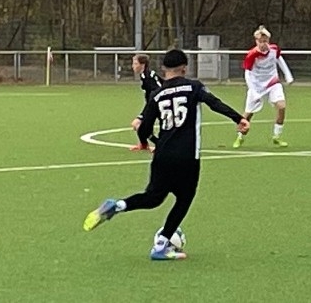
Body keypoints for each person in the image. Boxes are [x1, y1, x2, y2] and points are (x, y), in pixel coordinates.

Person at [82, 48, 250, 261]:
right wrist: (239, 119)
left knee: (153, 197)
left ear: (163, 68)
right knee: (185, 198)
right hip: (187, 156)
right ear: (184, 68)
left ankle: (118, 205)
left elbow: (144, 127)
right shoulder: (194, 87)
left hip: (162, 155)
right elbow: (214, 103)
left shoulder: (157, 94)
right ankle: (161, 244)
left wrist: (146, 143)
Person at [232, 26, 293, 148]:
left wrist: (288, 75)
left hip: (272, 83)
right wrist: (253, 90)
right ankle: (240, 137)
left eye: (265, 41)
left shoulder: (274, 50)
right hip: (256, 86)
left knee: (281, 106)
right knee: (248, 114)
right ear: (256, 41)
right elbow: (248, 74)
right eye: (260, 41)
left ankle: (277, 136)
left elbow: (280, 60)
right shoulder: (252, 55)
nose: (263, 44)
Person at [129, 53, 161, 152]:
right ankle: (144, 145)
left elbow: (156, 92)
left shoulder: (148, 77)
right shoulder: (146, 75)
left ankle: (160, 145)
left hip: (157, 105)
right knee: (144, 127)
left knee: (139, 125)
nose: (133, 66)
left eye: (135, 63)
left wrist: (143, 115)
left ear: (142, 65)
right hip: (154, 105)